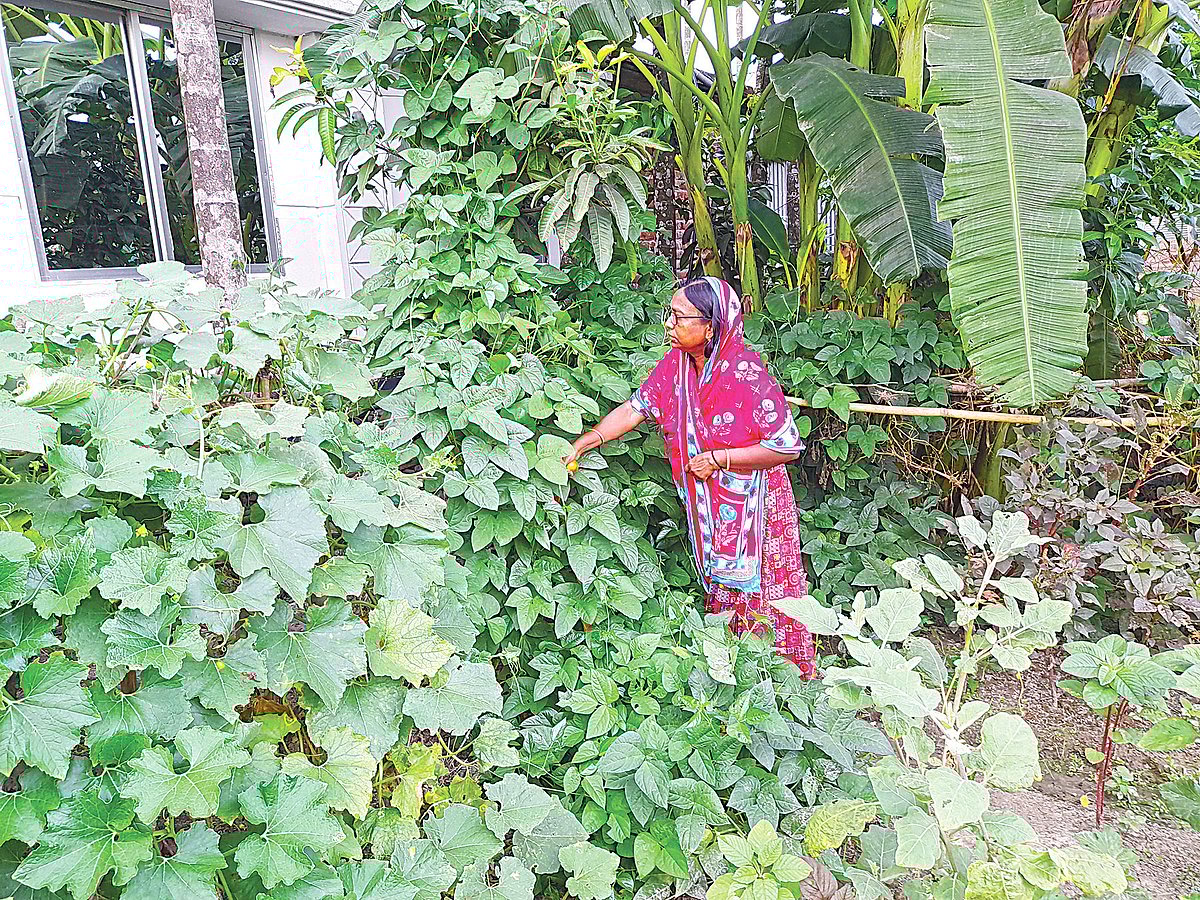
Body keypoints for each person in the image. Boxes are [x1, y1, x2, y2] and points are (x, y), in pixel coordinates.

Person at [562, 277, 816, 675]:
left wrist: (719, 460)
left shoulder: (746, 375)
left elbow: (785, 446)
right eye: (671, 315)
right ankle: (728, 675)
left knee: (767, 592)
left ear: (711, 326)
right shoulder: (674, 367)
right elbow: (634, 409)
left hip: (757, 506)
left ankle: (780, 682)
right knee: (723, 588)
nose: (669, 324)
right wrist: (587, 440)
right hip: (710, 503)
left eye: (679, 318)